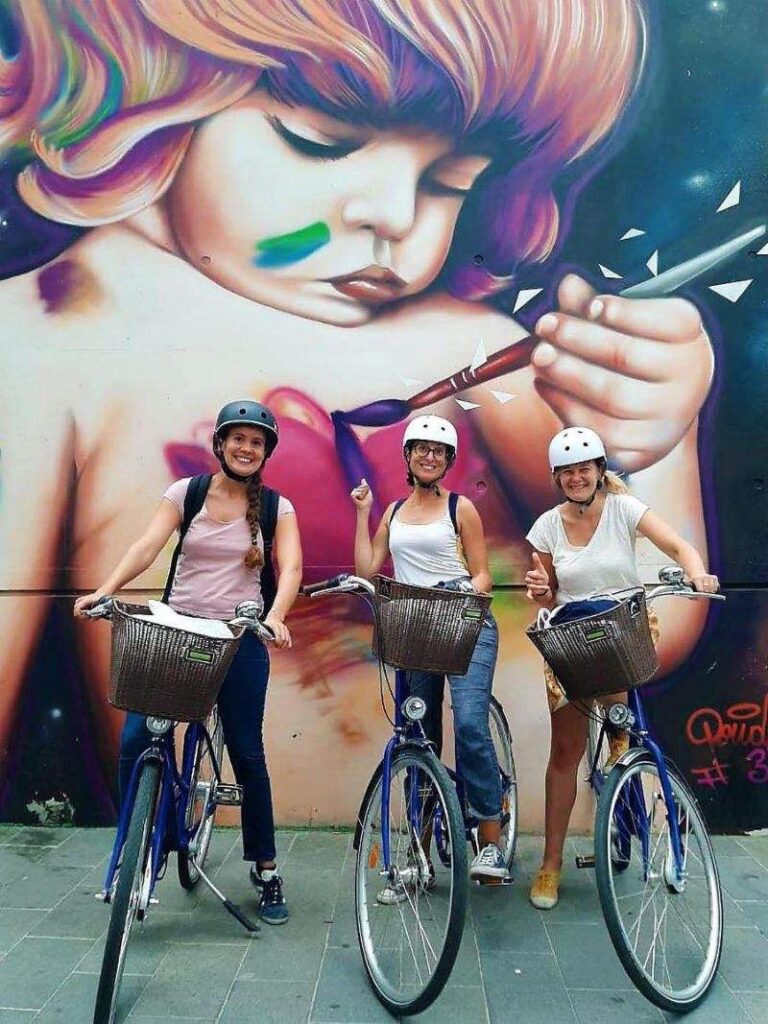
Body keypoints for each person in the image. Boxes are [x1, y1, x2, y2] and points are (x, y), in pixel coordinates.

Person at [0, 1, 715, 830]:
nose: (397, 219)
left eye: (450, 181)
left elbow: (655, 623)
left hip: (576, 868)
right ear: (150, 98)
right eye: (320, 142)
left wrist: (652, 432)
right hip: (287, 902)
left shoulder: (475, 347)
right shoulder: (55, 338)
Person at [74, 400, 302, 924]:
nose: (246, 448)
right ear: (220, 444)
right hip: (176, 631)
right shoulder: (187, 493)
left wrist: (278, 614)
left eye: (257, 441)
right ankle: (135, 851)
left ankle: (266, 870)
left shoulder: (275, 507)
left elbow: (289, 567)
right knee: (137, 738)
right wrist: (103, 591)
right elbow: (147, 545)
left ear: (265, 452)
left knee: (247, 753)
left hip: (236, 637)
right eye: (237, 438)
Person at [524, 426, 719, 910]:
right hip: (570, 641)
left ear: (599, 471)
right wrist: (538, 588)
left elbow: (678, 546)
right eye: (567, 472)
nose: (576, 478)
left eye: (583, 469)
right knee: (565, 753)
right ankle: (550, 864)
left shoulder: (624, 509)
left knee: (622, 740)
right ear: (558, 478)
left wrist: (697, 571)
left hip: (616, 635)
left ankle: (625, 812)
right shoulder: (548, 525)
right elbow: (547, 590)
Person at [351, 415, 506, 886]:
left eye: (438, 451)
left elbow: (484, 574)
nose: (429, 456)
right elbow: (368, 567)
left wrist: (461, 595)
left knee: (470, 723)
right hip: (416, 627)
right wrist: (363, 511)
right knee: (417, 734)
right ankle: (418, 855)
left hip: (464, 622)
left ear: (448, 461)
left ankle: (490, 842)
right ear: (408, 456)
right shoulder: (394, 512)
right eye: (421, 449)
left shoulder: (461, 508)